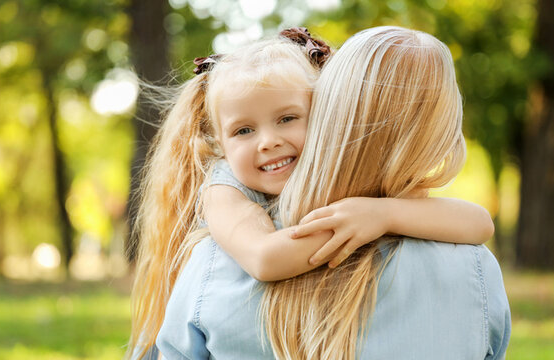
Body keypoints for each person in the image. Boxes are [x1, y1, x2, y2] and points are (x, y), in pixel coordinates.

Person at [128, 27, 509, 359]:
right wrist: (366, 221)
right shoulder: (223, 193)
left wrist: (382, 214)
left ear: (325, 114)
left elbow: (479, 222)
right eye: (244, 131)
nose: (268, 142)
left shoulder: (372, 212)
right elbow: (264, 258)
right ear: (220, 143)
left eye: (288, 119)